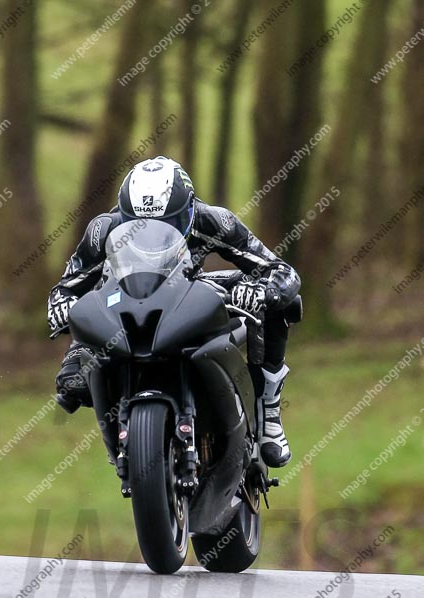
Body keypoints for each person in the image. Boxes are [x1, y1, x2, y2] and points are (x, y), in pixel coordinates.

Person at [48, 156, 301, 467]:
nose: (153, 234)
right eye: (139, 225)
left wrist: (262, 290)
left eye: (168, 224)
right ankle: (90, 378)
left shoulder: (214, 221)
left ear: (190, 210)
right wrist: (60, 306)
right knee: (72, 381)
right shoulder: (103, 230)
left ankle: (269, 411)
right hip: (123, 299)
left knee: (284, 302)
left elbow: (282, 271)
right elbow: (66, 286)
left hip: (189, 292)